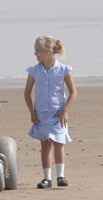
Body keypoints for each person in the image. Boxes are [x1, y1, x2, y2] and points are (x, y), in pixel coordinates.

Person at [24, 36, 77, 189]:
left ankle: (61, 176)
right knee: (45, 144)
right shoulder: (34, 70)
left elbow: (73, 92)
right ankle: (47, 178)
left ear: (48, 52)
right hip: (41, 114)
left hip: (57, 114)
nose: (35, 54)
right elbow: (27, 93)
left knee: (59, 143)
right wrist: (32, 113)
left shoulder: (63, 70)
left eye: (38, 51)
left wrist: (64, 111)